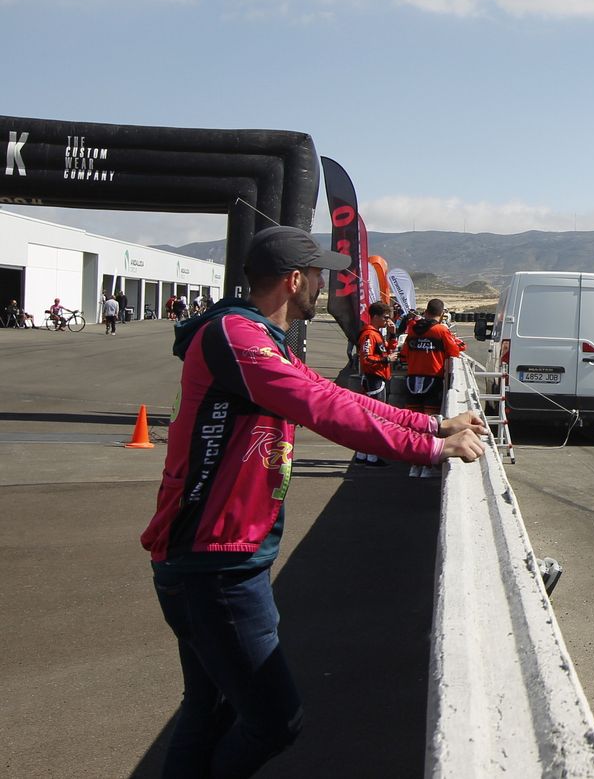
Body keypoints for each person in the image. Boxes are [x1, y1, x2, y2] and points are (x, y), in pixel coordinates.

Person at [140, 225, 487, 777]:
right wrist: (430, 447)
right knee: (276, 721)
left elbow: (332, 395)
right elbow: (323, 411)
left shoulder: (258, 336)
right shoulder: (236, 336)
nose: (325, 285)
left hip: (220, 557)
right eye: (319, 275)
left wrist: (431, 422)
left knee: (208, 708)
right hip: (214, 562)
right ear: (295, 279)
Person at [401, 299, 465, 478]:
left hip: (412, 380)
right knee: (431, 424)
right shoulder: (441, 330)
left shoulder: (412, 329)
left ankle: (414, 464)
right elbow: (454, 352)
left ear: (426, 311)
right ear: (442, 313)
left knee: (414, 424)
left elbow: (404, 353)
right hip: (433, 381)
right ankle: (427, 465)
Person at [351, 301, 400, 467]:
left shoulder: (377, 334)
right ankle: (370, 456)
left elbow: (387, 349)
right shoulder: (369, 335)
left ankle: (362, 454)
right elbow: (366, 358)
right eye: (385, 317)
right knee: (374, 419)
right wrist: (386, 359)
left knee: (370, 419)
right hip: (374, 380)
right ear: (376, 317)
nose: (388, 321)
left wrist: (393, 334)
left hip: (378, 378)